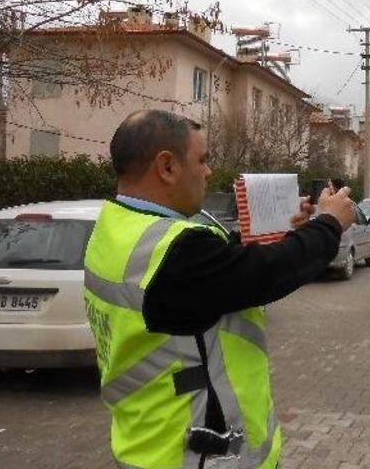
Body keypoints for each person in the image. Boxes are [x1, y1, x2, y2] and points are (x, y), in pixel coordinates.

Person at [83, 109, 355, 469]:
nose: (209, 171)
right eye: (202, 160)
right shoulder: (176, 252)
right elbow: (266, 273)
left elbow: (222, 268)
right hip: (198, 456)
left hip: (147, 443)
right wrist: (330, 223)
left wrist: (292, 231)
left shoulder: (117, 229)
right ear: (167, 166)